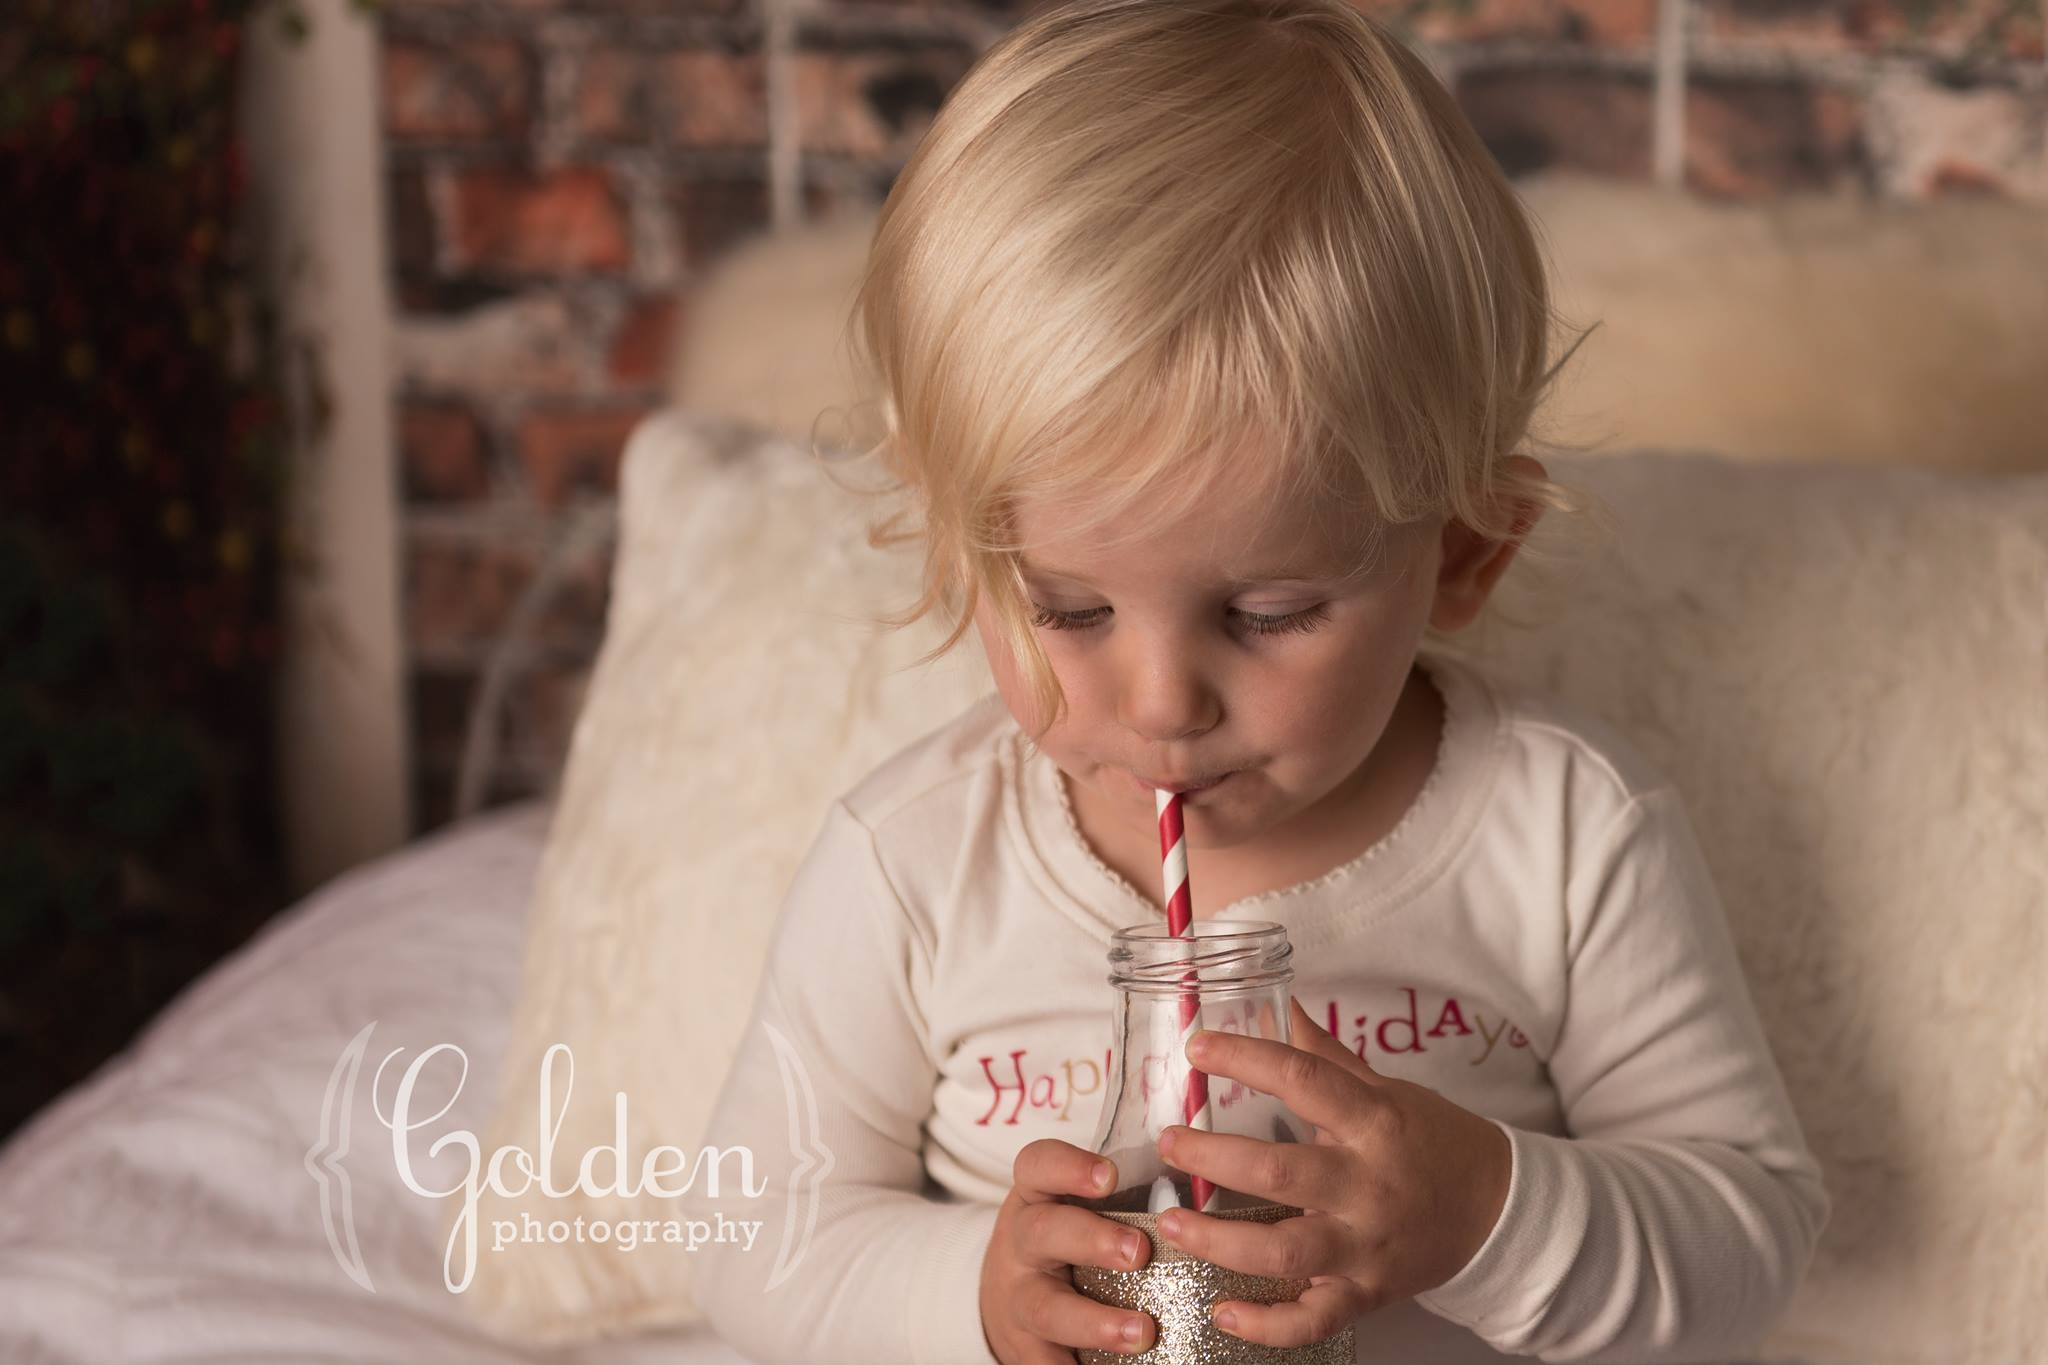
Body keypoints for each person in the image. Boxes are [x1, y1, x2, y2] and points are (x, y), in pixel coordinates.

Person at [686, 0, 1829, 1360]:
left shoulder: (1565, 833)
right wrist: (973, 1300)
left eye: (1272, 609)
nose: (1163, 700)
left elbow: (1752, 1237)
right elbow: (753, 1239)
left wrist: (1485, 1214)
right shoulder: (921, 860)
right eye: (1070, 606)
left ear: (1463, 552)